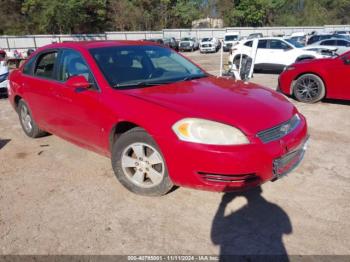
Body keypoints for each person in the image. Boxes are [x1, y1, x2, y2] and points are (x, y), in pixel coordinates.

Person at [211, 187, 292, 261]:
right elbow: (288, 230)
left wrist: (223, 204)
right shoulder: (274, 209)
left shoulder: (274, 209)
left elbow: (215, 239)